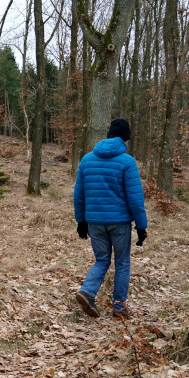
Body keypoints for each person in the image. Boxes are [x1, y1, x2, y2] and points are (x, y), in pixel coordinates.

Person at [72, 118, 148, 319]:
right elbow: (135, 198)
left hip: (95, 222)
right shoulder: (127, 162)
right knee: (122, 263)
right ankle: (119, 307)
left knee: (102, 259)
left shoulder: (87, 160)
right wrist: (141, 226)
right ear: (126, 139)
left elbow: (79, 194)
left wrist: (81, 221)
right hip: (120, 223)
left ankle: (87, 292)